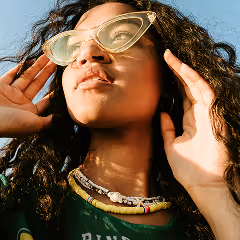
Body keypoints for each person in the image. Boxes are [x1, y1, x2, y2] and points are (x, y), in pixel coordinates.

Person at [0, 0, 240, 239]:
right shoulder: (15, 206)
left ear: (169, 74)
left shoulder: (208, 222)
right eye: (72, 47)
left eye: (119, 36)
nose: (86, 54)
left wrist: (214, 190)